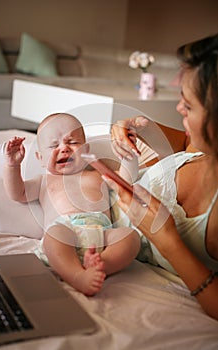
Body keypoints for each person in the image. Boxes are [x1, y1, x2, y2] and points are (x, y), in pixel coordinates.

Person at [106, 34, 218, 319]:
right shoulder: (205, 147)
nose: (179, 108)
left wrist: (166, 239)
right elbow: (183, 143)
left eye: (189, 106)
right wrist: (133, 127)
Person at [3, 113, 140, 296]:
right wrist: (12, 166)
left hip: (102, 233)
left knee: (129, 237)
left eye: (73, 142)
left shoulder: (98, 174)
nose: (64, 149)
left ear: (87, 149)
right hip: (65, 230)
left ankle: (101, 264)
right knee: (53, 235)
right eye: (53, 146)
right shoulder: (43, 181)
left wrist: (127, 152)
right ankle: (76, 276)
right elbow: (17, 193)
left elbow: (126, 179)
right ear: (40, 158)